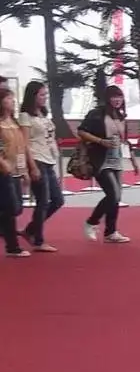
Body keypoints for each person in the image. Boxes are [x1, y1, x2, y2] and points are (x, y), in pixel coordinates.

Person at [76, 86, 133, 244]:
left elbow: (124, 140)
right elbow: (81, 131)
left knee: (116, 198)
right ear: (107, 98)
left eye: (120, 97)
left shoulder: (120, 115)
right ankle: (92, 222)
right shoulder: (96, 114)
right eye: (114, 97)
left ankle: (111, 231)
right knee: (113, 194)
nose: (117, 100)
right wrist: (101, 141)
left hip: (117, 159)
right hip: (101, 159)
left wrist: (133, 159)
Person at [19, 81, 62, 251]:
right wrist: (32, 167)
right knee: (43, 201)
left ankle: (30, 229)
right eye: (41, 95)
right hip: (36, 159)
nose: (45, 98)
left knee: (57, 200)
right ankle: (38, 240)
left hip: (49, 159)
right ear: (33, 96)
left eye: (45, 94)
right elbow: (25, 143)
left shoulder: (43, 114)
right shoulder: (25, 116)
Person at [0, 86, 30, 259]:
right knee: (10, 208)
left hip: (16, 169)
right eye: (8, 98)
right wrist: (3, 163)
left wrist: (24, 169)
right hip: (3, 172)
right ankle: (12, 247)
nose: (12, 101)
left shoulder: (14, 123)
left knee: (16, 207)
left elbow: (20, 148)